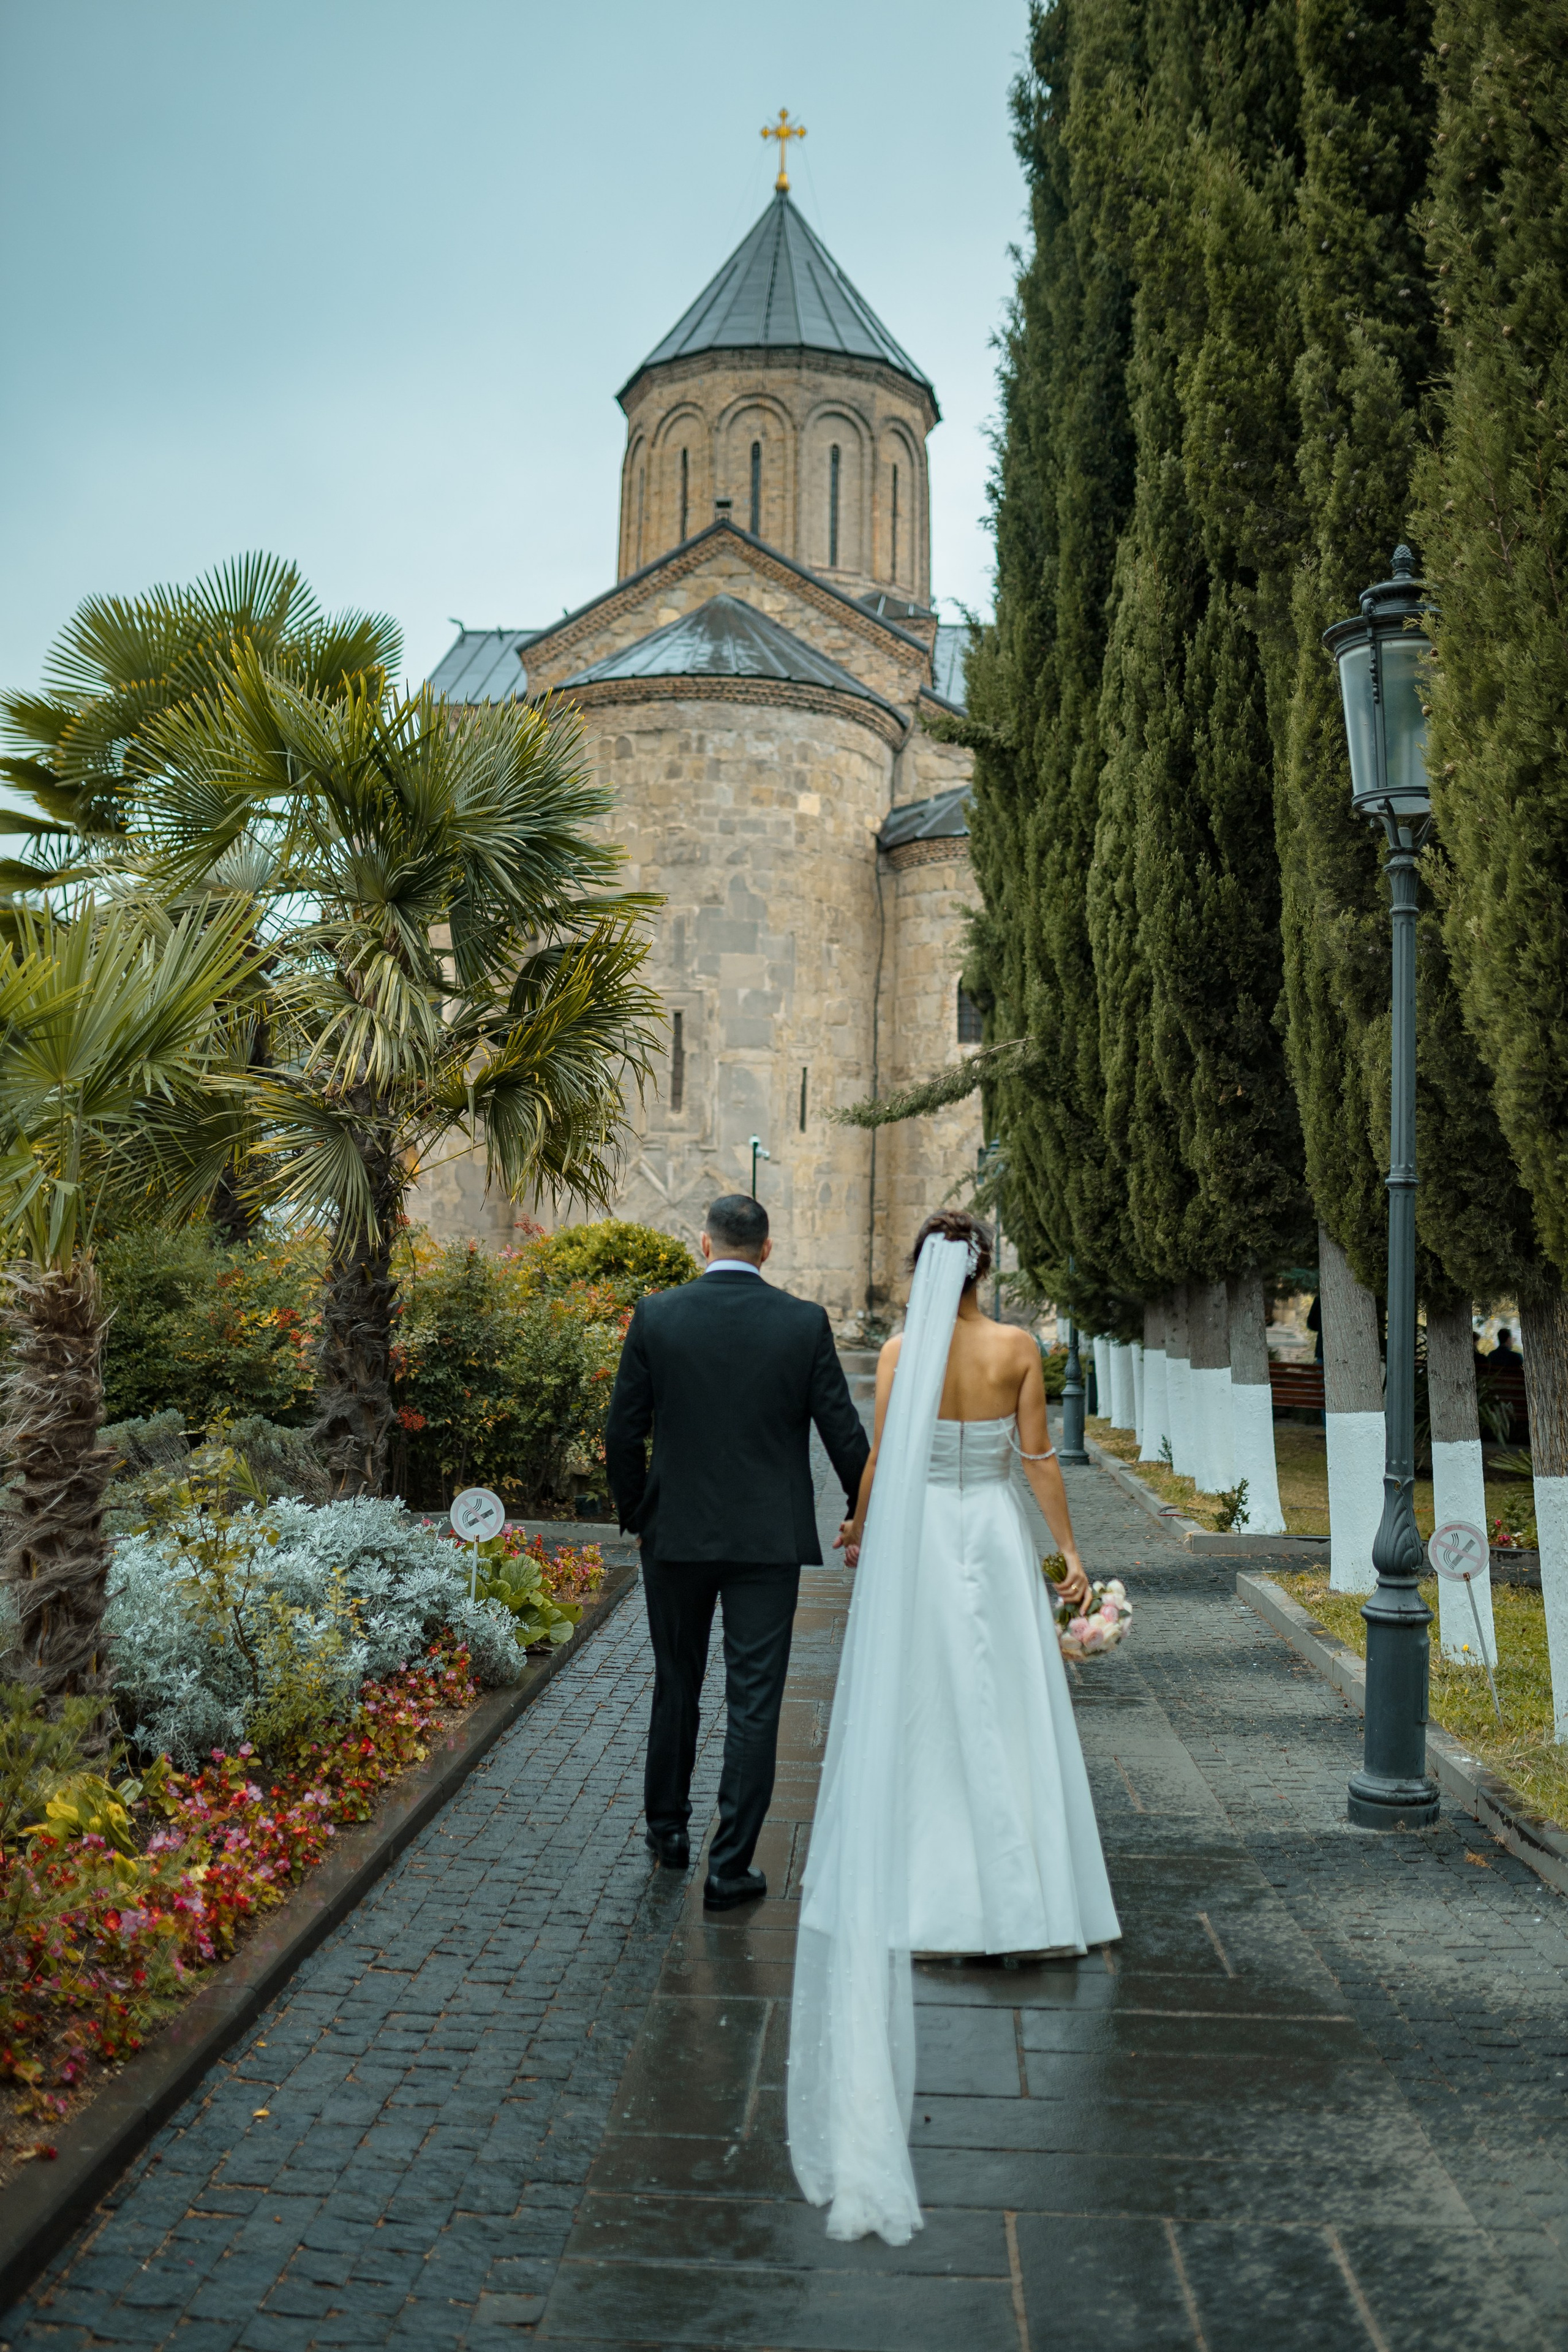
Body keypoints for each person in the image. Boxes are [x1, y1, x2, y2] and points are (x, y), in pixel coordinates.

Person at [786, 1209, 1120, 2247]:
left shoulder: (895, 1351)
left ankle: (923, 1900)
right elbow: (1038, 1462)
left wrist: (854, 1524)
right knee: (1010, 1708)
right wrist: (1067, 1553)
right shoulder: (1018, 1347)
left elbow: (884, 1457)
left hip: (923, 1543)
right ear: (986, 1269)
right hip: (985, 1526)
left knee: (923, 1713)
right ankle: (1018, 1903)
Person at [604, 1193, 869, 1914]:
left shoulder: (657, 1315)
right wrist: (860, 1513)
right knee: (755, 1699)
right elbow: (843, 1432)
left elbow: (622, 1432)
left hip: (676, 1537)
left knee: (676, 1681)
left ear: (703, 1244)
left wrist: (637, 1514)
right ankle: (730, 1867)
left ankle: (667, 1834)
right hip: (765, 1542)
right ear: (768, 1249)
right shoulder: (802, 1322)